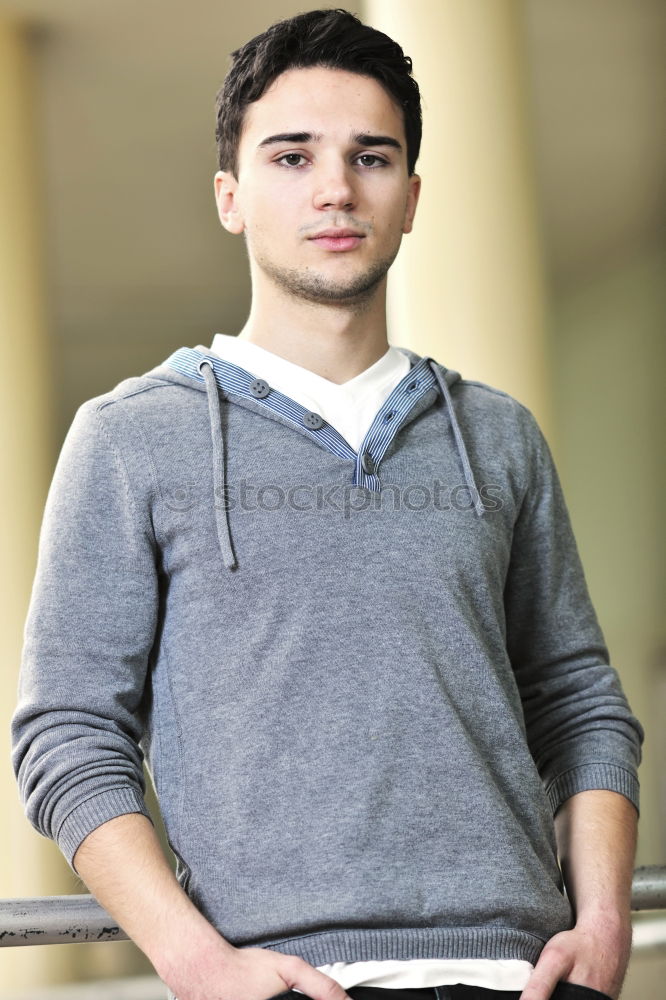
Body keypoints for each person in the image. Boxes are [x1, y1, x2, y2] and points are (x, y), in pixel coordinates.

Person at [11, 9, 643, 1000]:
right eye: (292, 156)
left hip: (520, 979)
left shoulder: (500, 435)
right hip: (283, 984)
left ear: (412, 196)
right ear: (231, 196)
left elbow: (580, 701)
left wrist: (604, 923)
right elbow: (66, 734)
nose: (336, 189)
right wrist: (194, 961)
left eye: (371, 157)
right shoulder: (131, 438)